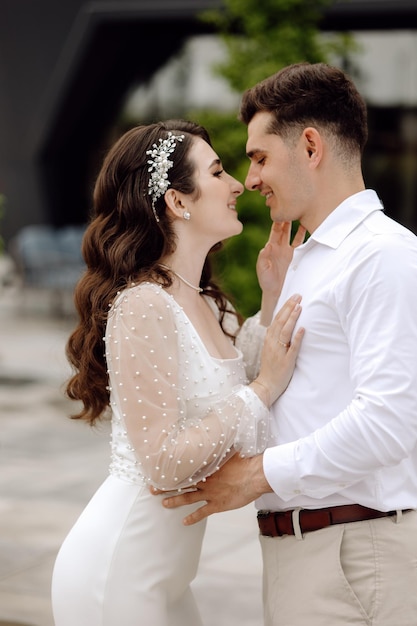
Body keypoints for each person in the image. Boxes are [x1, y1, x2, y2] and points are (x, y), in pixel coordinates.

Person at [161, 64, 417, 625]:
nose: (250, 180)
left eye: (259, 157)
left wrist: (258, 475)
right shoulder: (305, 258)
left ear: (310, 145)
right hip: (305, 552)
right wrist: (271, 300)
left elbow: (390, 420)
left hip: (354, 555)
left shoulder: (383, 256)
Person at [50, 119, 305, 626]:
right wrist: (264, 388)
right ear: (177, 201)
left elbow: (231, 385)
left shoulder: (201, 299)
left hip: (165, 578)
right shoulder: (142, 305)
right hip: (118, 572)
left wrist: (272, 295)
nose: (238, 185)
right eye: (217, 173)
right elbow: (164, 461)